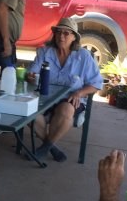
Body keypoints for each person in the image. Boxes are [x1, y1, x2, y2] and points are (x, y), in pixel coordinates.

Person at [26, 18, 103, 162]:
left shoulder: (83, 57)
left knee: (66, 110)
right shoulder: (44, 52)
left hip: (70, 98)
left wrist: (79, 93)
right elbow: (32, 72)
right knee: (27, 111)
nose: (61, 36)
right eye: (58, 32)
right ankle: (51, 147)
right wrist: (30, 77)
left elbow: (96, 83)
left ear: (74, 37)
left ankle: (45, 147)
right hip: (44, 97)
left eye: (66, 33)